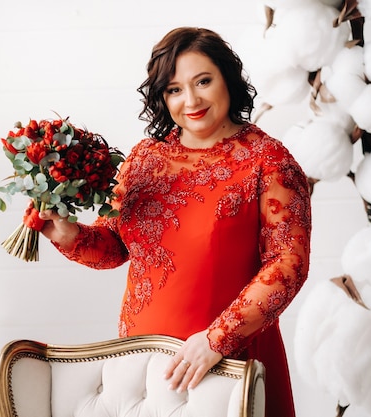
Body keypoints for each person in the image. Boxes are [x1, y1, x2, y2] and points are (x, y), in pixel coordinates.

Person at [36, 27, 311, 417]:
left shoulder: (269, 162)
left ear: (227, 80)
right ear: (162, 97)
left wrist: (217, 340)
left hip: (227, 363)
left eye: (203, 81)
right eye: (174, 89)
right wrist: (68, 235)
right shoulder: (144, 158)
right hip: (142, 369)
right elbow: (114, 247)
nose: (192, 100)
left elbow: (288, 265)